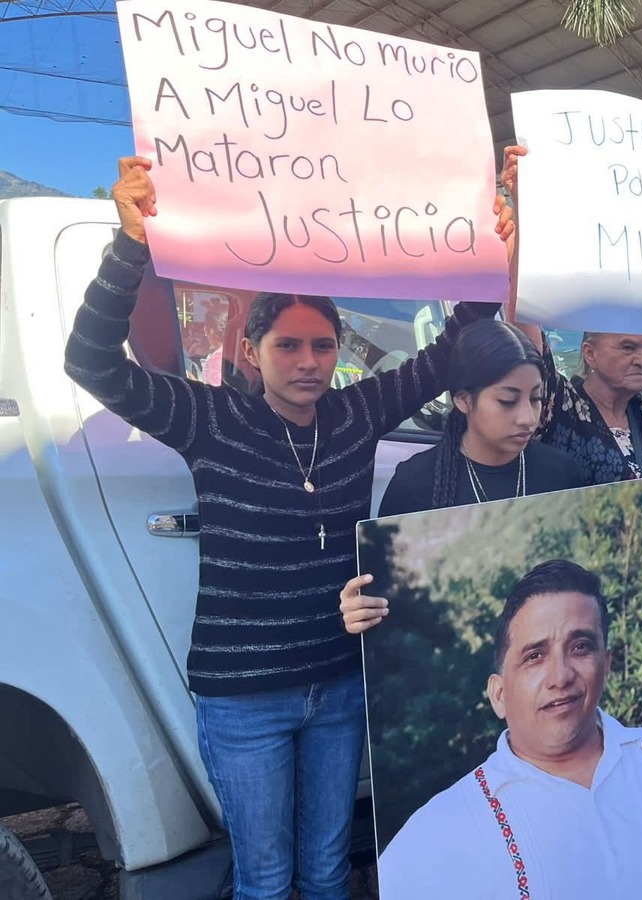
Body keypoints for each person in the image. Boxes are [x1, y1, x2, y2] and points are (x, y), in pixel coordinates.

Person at [64, 156, 511, 900]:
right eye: (288, 346)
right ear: (251, 351)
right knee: (267, 882)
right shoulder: (208, 417)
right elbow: (91, 363)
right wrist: (131, 244)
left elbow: (450, 350)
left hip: (338, 687)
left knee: (329, 875)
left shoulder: (354, 413)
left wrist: (490, 246)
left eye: (323, 346)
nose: (309, 363)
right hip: (244, 698)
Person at [339, 318, 642, 631]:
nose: (527, 418)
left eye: (535, 398)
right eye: (507, 400)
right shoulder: (415, 482)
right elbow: (385, 605)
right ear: (463, 399)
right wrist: (360, 612)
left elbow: (596, 581)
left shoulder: (560, 473)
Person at [373, 560, 642, 900]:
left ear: (605, 666)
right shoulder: (438, 833)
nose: (560, 676)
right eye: (535, 656)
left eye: (580, 647)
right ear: (499, 694)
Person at [499, 145, 642, 485]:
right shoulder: (557, 404)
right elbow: (523, 320)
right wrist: (521, 204)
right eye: (627, 347)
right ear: (589, 353)